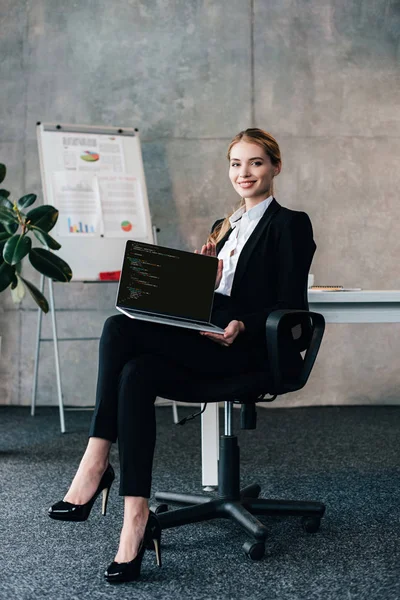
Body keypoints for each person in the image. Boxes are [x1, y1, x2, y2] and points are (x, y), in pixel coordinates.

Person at [48, 127, 316, 584]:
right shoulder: (223, 225)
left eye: (255, 162)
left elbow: (291, 304)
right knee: (135, 372)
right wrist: (201, 280)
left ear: (275, 166)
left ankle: (95, 465)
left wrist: (244, 324)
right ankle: (135, 520)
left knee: (117, 330)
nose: (244, 172)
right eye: (236, 163)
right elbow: (215, 299)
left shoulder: (289, 223)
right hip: (205, 338)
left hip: (246, 351)